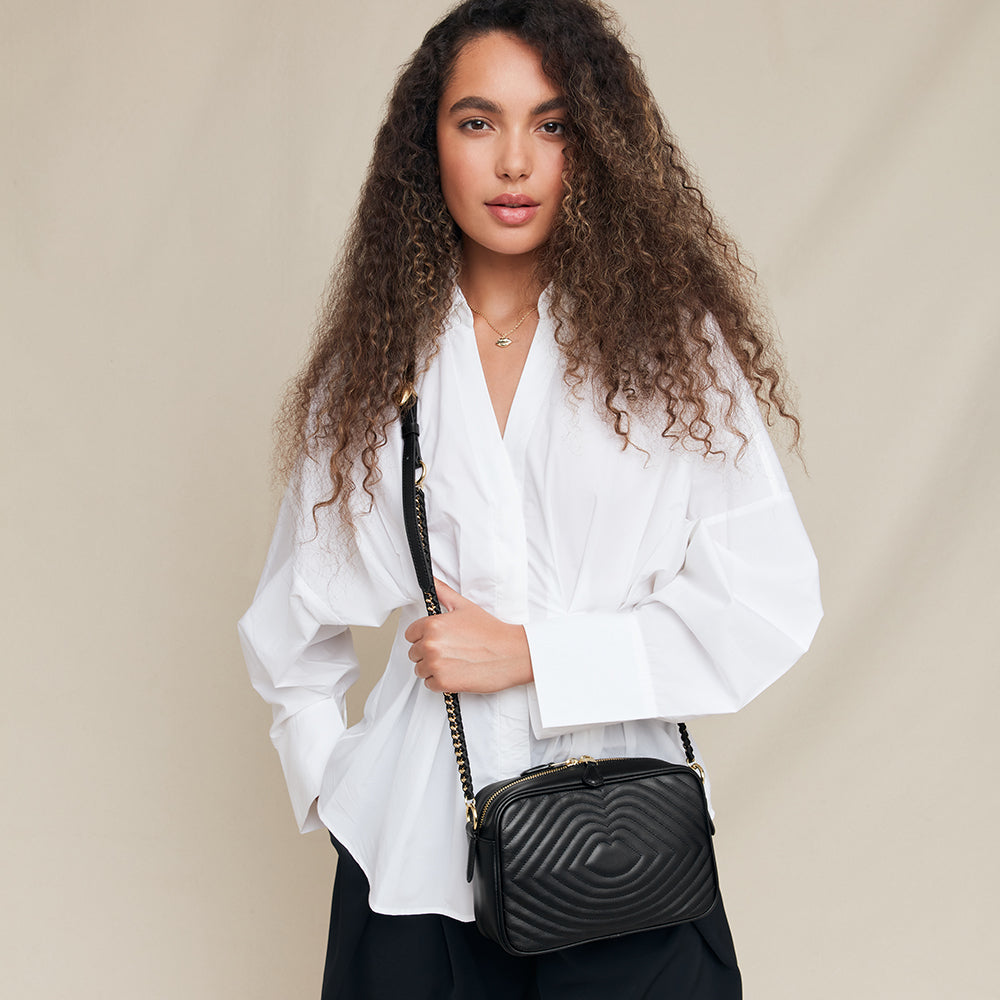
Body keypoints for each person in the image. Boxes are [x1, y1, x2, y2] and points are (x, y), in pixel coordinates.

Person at [239, 0, 822, 996]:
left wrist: (530, 656)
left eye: (550, 124)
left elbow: (766, 603)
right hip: (414, 876)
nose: (514, 160)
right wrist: (338, 788)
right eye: (478, 121)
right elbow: (291, 626)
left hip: (628, 865)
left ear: (591, 147)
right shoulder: (378, 362)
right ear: (430, 144)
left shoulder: (675, 353)